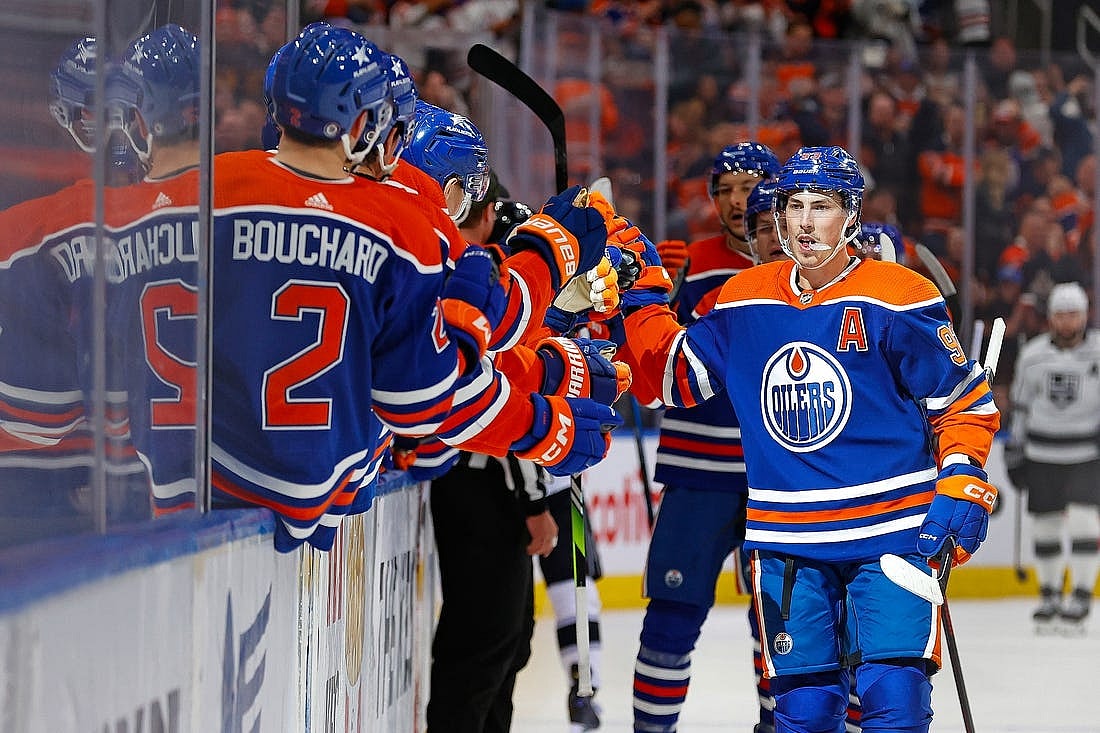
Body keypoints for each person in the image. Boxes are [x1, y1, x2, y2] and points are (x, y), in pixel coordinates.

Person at [612, 145, 1000, 733]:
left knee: (894, 703)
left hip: (892, 532)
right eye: (793, 206)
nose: (804, 221)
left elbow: (962, 398)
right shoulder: (745, 297)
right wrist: (640, 293)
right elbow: (670, 376)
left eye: (821, 206)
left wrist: (963, 473)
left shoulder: (898, 293)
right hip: (789, 539)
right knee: (804, 711)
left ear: (851, 214)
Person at [209, 25, 622, 552]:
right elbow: (431, 388)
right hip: (307, 497)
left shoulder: (215, 184)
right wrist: (543, 418)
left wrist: (548, 366)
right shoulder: (396, 224)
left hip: (205, 485)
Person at [633, 141, 780, 733]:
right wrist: (658, 295)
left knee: (780, 630)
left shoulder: (811, 270)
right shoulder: (689, 262)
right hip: (698, 473)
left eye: (748, 187)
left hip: (780, 479)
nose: (736, 200)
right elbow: (649, 375)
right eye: (724, 190)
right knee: (671, 618)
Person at [1008, 281, 1100, 629]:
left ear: (1084, 316)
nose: (1067, 321)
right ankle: (1049, 593)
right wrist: (1015, 450)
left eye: (1073, 314)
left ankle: (1081, 593)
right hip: (1041, 452)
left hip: (1086, 452)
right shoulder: (1033, 355)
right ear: (1050, 317)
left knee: (1084, 521)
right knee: (1045, 525)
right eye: (1061, 314)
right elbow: (1020, 407)